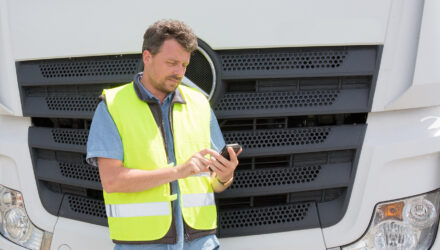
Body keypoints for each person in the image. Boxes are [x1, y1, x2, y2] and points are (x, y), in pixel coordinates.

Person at [86, 19, 240, 250]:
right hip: (141, 245)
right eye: (171, 63)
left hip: (201, 243)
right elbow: (112, 180)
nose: (179, 73)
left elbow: (214, 183)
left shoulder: (199, 103)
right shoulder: (112, 106)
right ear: (147, 57)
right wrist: (178, 171)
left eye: (184, 65)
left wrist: (225, 176)